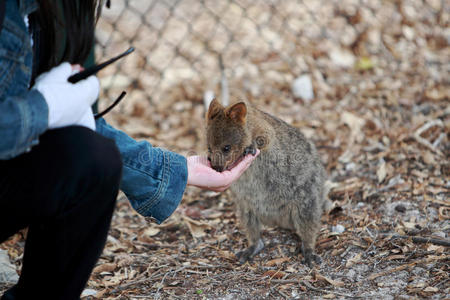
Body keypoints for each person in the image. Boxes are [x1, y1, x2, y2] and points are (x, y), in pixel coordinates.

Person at [0, 1, 258, 299]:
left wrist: (176, 170)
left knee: (92, 161)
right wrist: (43, 107)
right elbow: (42, 111)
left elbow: (75, 130)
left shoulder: (44, 12)